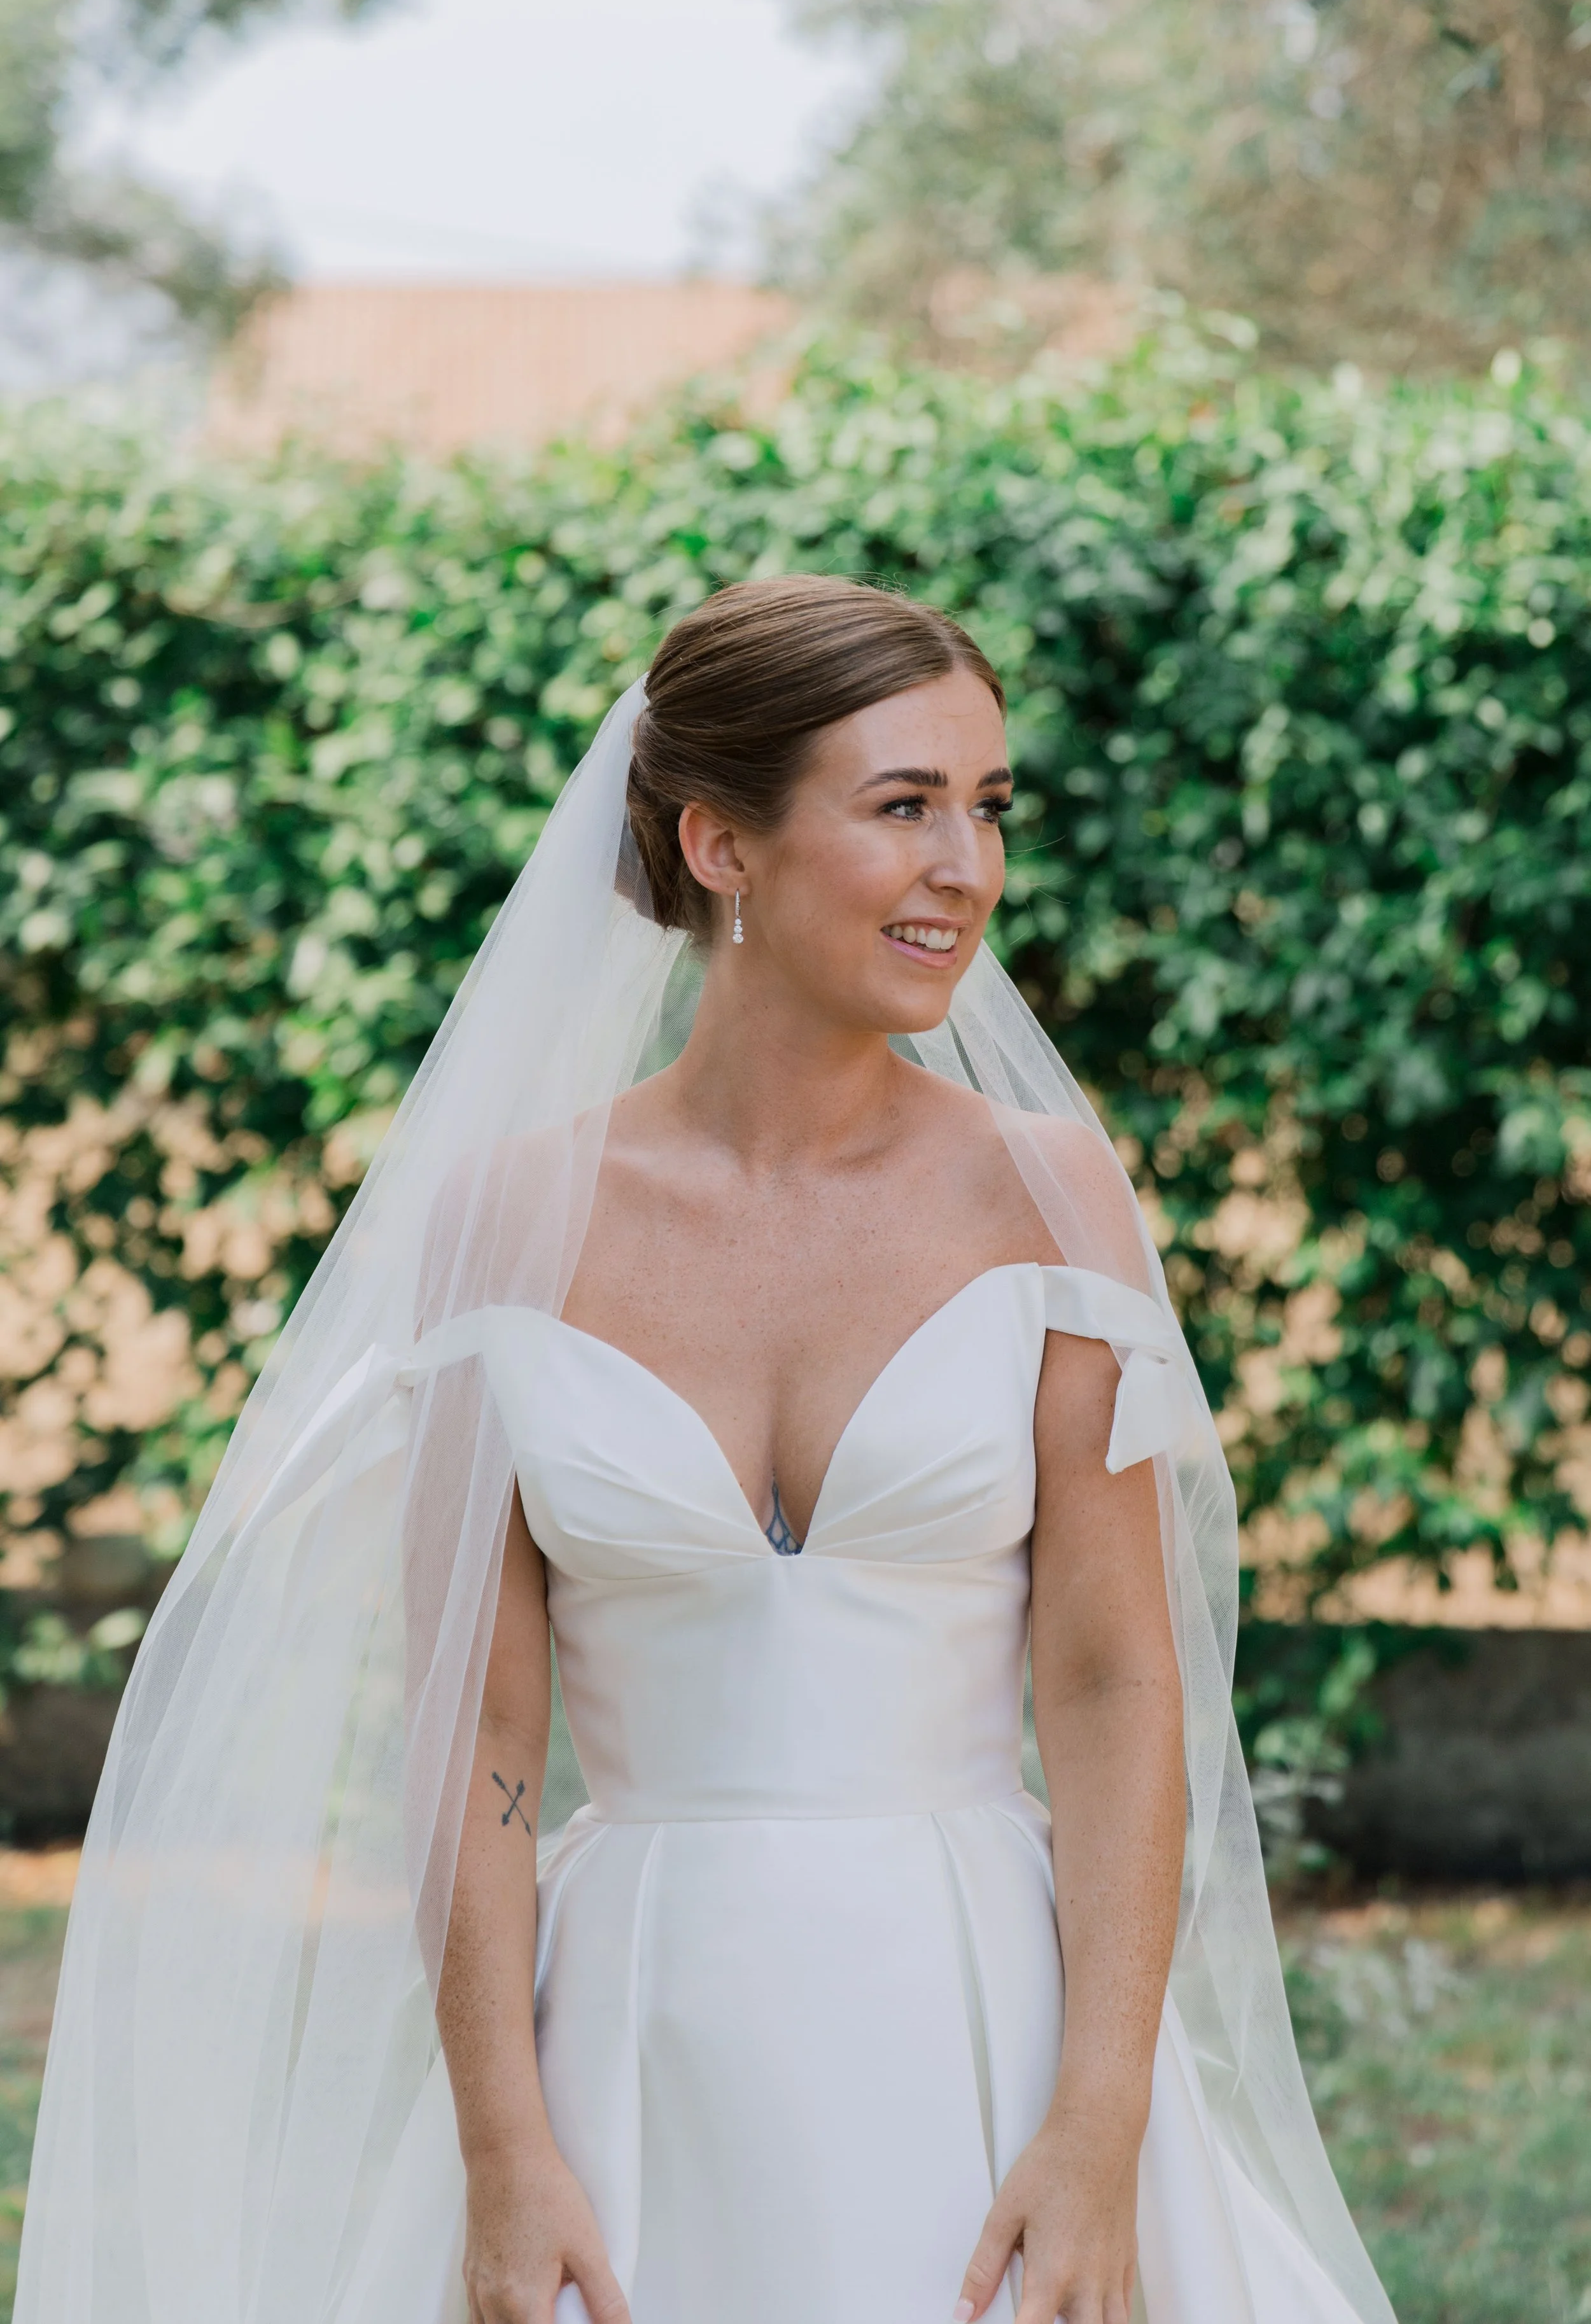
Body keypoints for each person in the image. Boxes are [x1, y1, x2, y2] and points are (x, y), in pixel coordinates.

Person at [18, 577, 1395, 2324]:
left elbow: (1118, 1681)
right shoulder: (506, 1226)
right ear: (719, 843)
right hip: (633, 2042)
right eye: (903, 806)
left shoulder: (1048, 1194)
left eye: (988, 808)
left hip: (982, 2022)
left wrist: (1100, 2120)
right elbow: (473, 1728)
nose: (966, 868)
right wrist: (507, 2148)